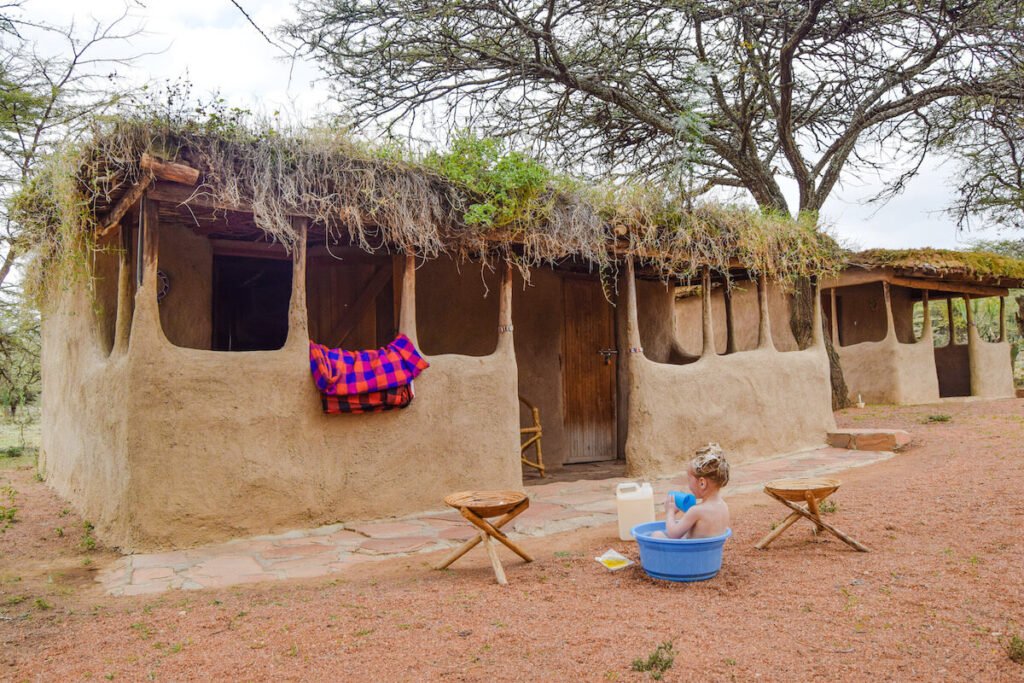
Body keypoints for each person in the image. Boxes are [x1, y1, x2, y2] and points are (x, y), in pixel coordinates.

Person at [652, 445, 730, 539]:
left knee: (657, 535)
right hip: (712, 553)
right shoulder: (724, 506)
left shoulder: (696, 511)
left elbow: (673, 534)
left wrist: (670, 512)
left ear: (702, 483)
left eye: (689, 479)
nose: (688, 484)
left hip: (692, 553)